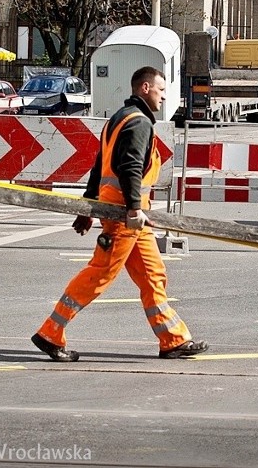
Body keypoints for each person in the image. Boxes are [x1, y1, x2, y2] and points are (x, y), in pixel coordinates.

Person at [31, 66, 209, 362]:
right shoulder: (139, 123)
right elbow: (129, 167)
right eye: (161, 90)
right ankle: (50, 333)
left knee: (153, 275)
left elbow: (99, 165)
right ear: (145, 88)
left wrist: (88, 206)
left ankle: (173, 340)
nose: (164, 96)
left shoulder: (119, 118)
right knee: (100, 273)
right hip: (126, 215)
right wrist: (134, 209)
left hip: (126, 214)